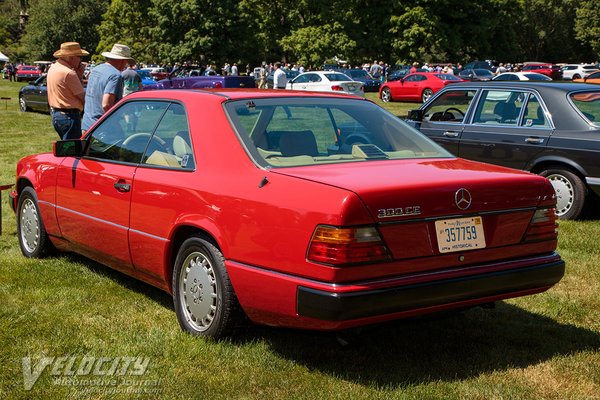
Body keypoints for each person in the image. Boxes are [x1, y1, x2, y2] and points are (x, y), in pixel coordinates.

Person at [82, 43, 134, 132]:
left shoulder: (96, 69)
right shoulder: (115, 75)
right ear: (122, 60)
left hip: (87, 124)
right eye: (126, 61)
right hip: (102, 128)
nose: (126, 65)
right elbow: (106, 105)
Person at [46, 42, 88, 139]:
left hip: (58, 114)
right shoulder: (69, 73)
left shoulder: (54, 68)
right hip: (69, 116)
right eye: (79, 57)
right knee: (73, 150)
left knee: (67, 148)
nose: (81, 60)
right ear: (71, 57)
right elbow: (82, 96)